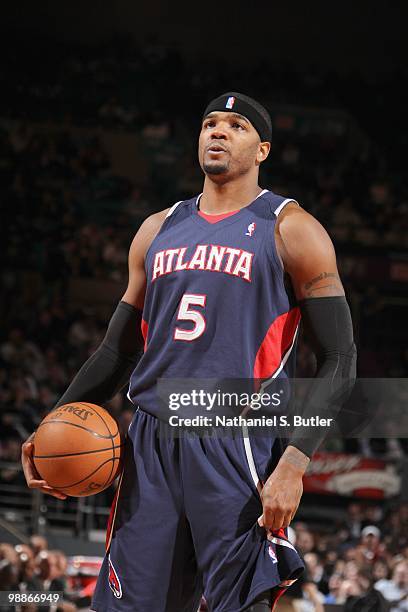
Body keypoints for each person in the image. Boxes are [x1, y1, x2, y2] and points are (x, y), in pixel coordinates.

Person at [22, 92, 356, 611]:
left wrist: (293, 463)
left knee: (237, 603)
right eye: (210, 124)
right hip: (152, 439)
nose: (218, 132)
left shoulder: (293, 229)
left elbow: (340, 358)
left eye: (236, 125)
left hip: (236, 437)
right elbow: (116, 349)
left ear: (263, 149)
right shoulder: (157, 228)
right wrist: (54, 422)